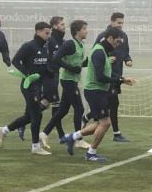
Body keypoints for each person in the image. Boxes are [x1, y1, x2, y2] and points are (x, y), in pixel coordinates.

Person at [61, 28, 135, 162]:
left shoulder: (104, 52)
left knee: (100, 123)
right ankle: (91, 153)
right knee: (106, 123)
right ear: (110, 38)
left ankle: (72, 137)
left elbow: (107, 73)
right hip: (95, 91)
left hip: (100, 91)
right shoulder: (99, 52)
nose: (118, 45)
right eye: (117, 41)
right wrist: (120, 80)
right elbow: (100, 77)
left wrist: (122, 79)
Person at [0, 22, 55, 155]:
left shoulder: (45, 47)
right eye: (46, 32)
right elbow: (16, 61)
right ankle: (35, 146)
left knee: (29, 116)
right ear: (38, 31)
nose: (48, 35)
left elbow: (44, 66)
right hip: (29, 86)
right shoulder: (29, 46)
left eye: (49, 32)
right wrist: (27, 74)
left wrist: (49, 72)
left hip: (39, 86)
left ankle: (4, 130)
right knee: (37, 115)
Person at [43, 19, 91, 150]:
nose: (87, 31)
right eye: (84, 29)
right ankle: (78, 139)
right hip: (68, 80)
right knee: (79, 109)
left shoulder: (80, 45)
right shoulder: (70, 44)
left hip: (73, 80)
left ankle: (44, 133)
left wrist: (91, 61)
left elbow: (79, 64)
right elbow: (56, 58)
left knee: (63, 110)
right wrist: (70, 68)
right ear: (77, 31)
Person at [95, 12, 132, 142]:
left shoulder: (124, 36)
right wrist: (106, 59)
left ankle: (88, 118)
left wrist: (128, 59)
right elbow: (97, 53)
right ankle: (116, 134)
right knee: (113, 103)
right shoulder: (102, 36)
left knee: (109, 104)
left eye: (122, 23)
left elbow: (126, 51)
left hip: (117, 75)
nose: (120, 25)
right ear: (111, 22)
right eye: (118, 23)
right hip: (107, 76)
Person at [40, 16, 67, 143]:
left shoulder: (63, 41)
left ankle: (23, 122)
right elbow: (45, 56)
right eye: (61, 24)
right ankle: (60, 135)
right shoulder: (50, 41)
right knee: (55, 103)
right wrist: (47, 69)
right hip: (49, 75)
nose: (64, 26)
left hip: (56, 74)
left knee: (47, 103)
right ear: (55, 26)